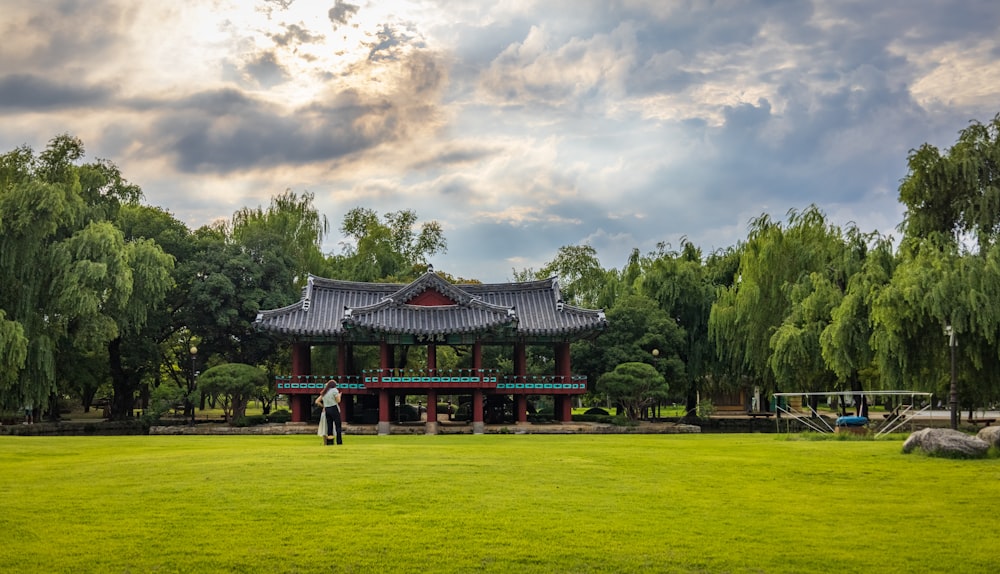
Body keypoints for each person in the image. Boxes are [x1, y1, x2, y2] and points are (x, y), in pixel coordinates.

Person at [315, 380, 342, 446]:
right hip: (334, 408)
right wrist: (339, 395)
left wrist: (323, 406)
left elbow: (317, 401)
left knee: (329, 426)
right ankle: (339, 442)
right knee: (338, 425)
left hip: (327, 409)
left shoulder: (324, 392)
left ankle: (330, 442)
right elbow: (338, 401)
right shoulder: (334, 390)